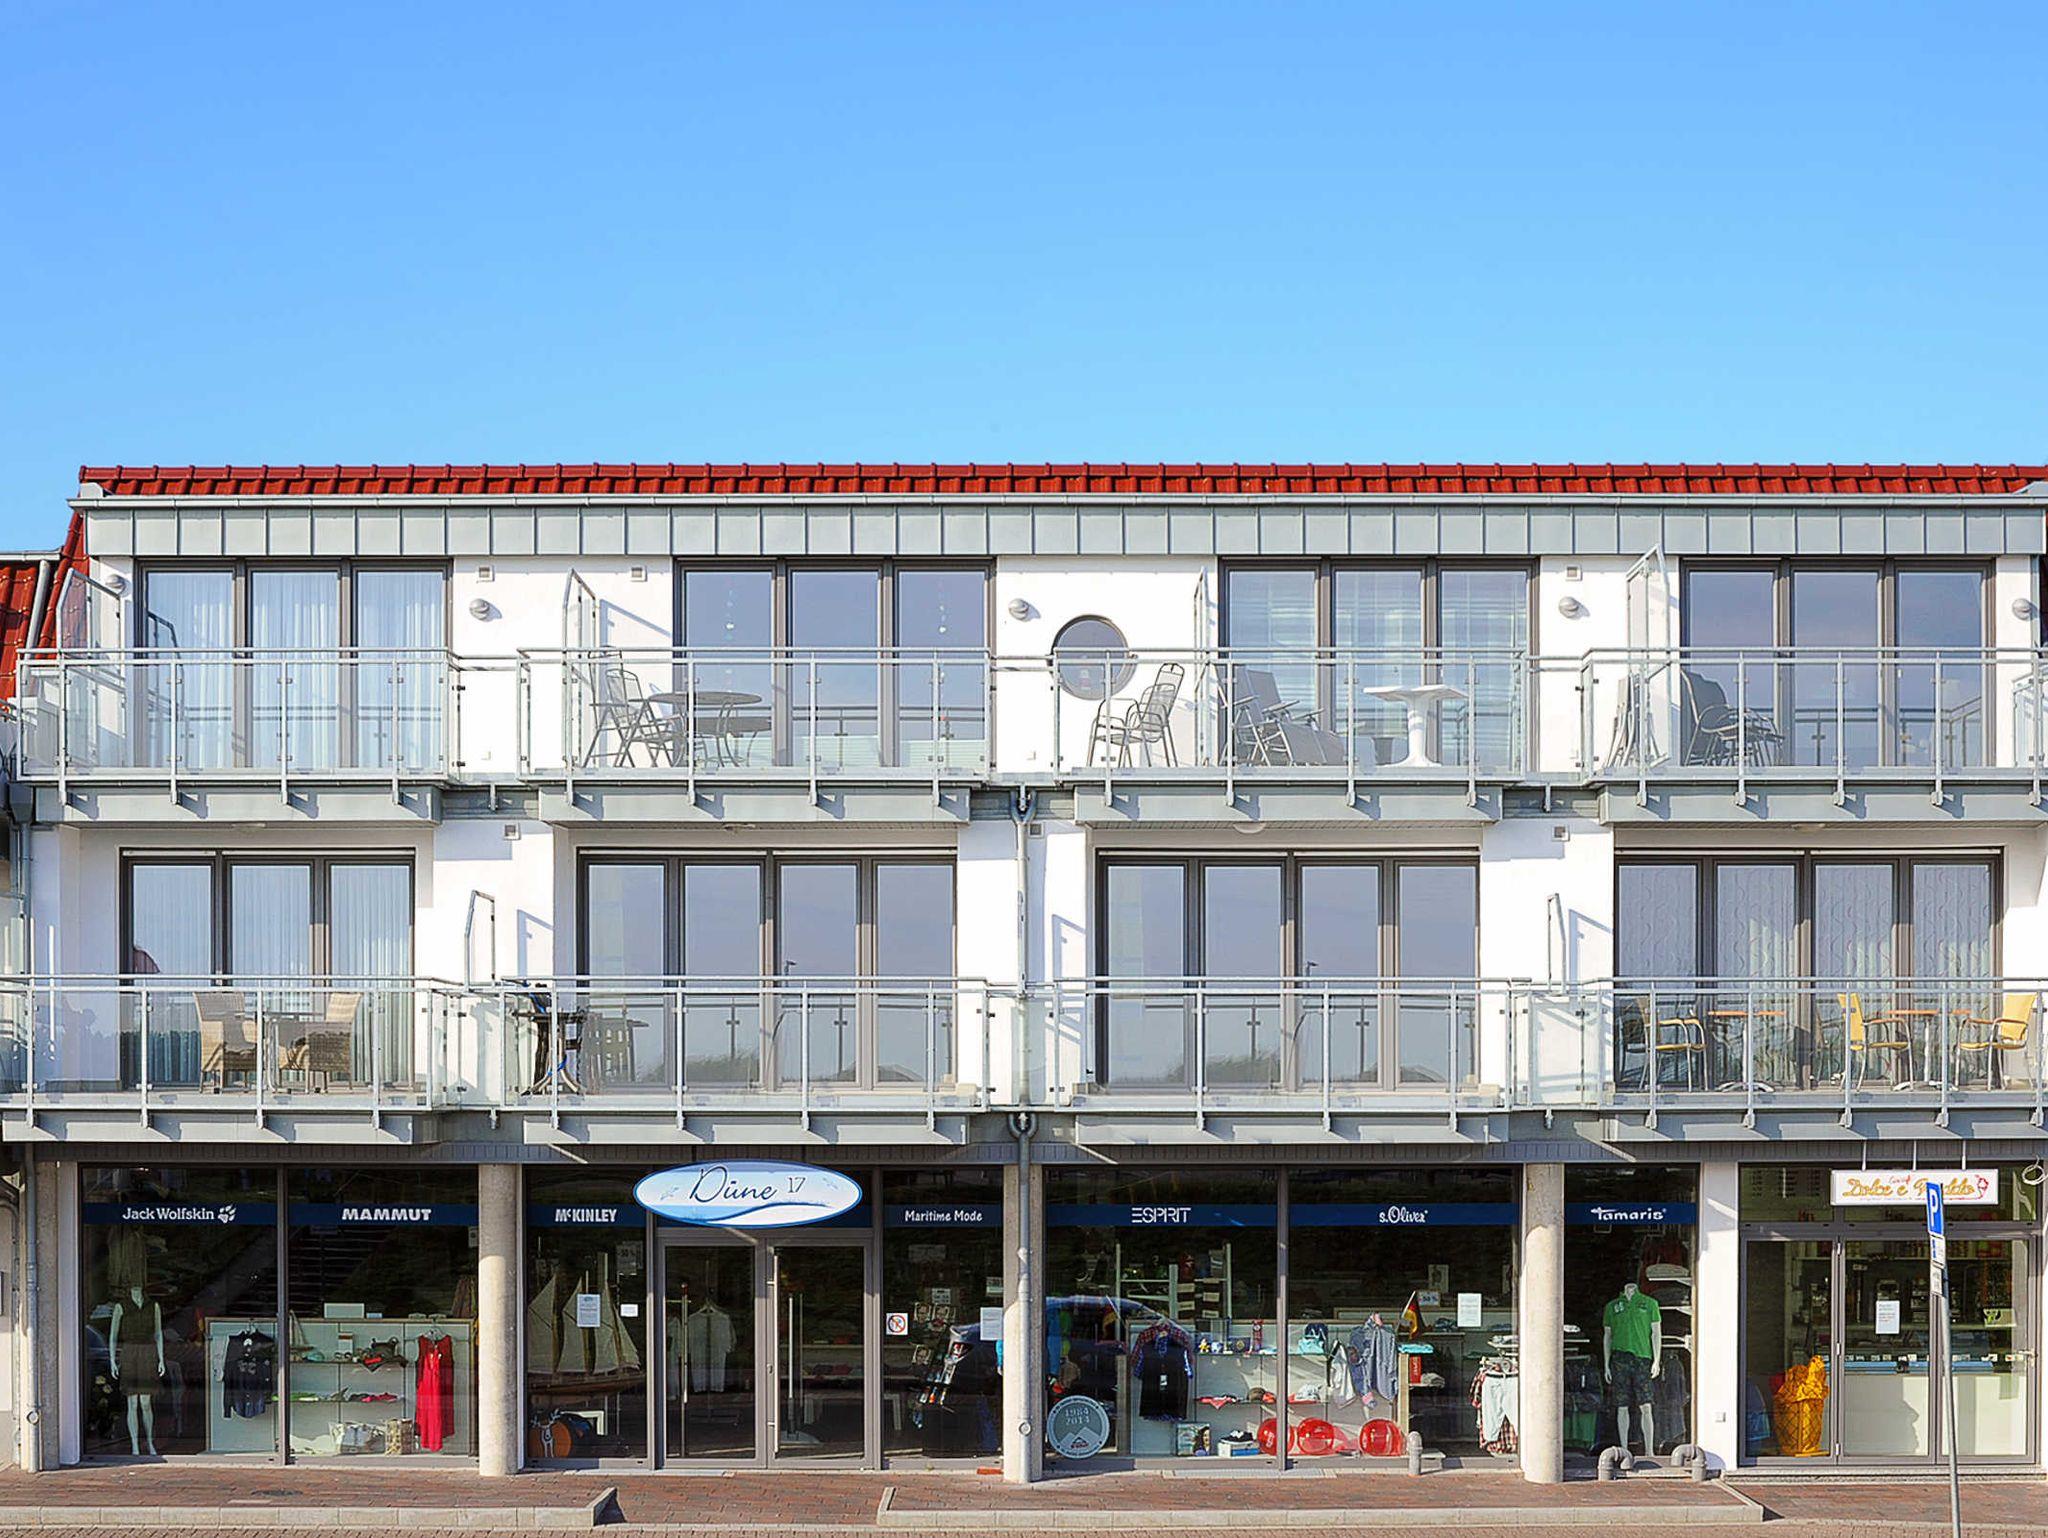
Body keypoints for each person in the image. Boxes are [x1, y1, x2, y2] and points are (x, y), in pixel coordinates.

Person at [1602, 1280, 1662, 1456]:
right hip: (1619, 1359)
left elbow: (1656, 1333)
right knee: (1622, 1406)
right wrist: (1606, 1364)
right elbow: (1607, 1336)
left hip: (1643, 1358)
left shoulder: (1649, 1304)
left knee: (1646, 1405)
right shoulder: (1612, 1306)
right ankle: (1624, 1448)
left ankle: (1649, 1450)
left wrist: (1656, 1360)